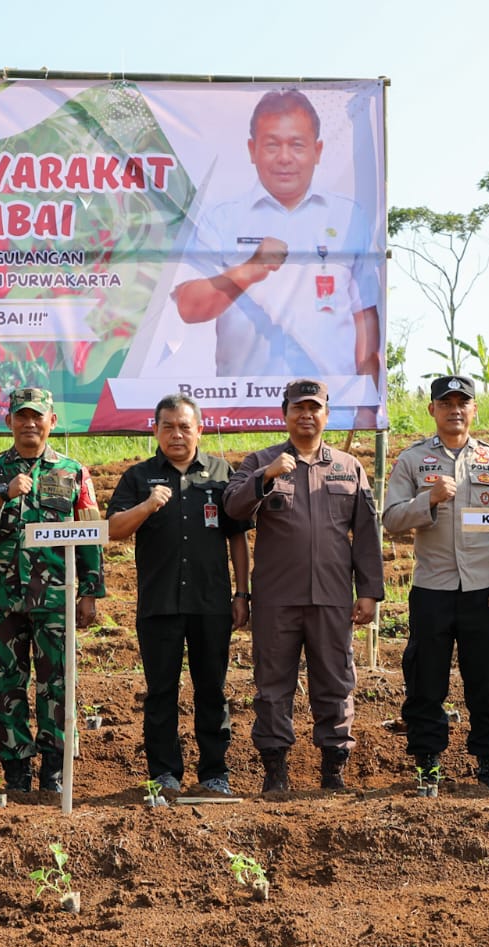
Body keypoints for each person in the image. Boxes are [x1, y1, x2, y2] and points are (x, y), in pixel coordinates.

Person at [223, 378, 384, 792]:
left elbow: (366, 534)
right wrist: (265, 476)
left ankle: (334, 771)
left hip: (332, 597)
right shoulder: (262, 460)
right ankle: (275, 773)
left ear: (326, 415)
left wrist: (368, 591)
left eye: (314, 408)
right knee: (272, 686)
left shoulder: (349, 467)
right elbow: (233, 507)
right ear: (285, 414)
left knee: (335, 682)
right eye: (298, 408)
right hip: (277, 599)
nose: (306, 415)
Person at [0, 388, 106, 794]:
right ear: (9, 423)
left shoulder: (73, 473)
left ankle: (54, 774)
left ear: (52, 422)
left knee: (58, 684)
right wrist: (2, 495)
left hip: (55, 598)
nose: (30, 424)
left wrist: (89, 591)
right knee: (5, 685)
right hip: (3, 599)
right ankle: (16, 774)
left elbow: (88, 533)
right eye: (22, 416)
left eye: (38, 416)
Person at [172, 88, 381, 384]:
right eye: (272, 145)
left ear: (317, 151)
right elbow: (189, 307)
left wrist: (367, 401)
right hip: (243, 413)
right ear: (252, 149)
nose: (284, 158)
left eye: (297, 145)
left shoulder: (348, 218)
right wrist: (247, 271)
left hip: (329, 410)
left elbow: (365, 314)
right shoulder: (221, 219)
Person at [107, 395, 251, 795]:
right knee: (161, 693)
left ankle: (214, 774)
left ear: (199, 430)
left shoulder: (222, 474)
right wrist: (149, 505)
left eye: (184, 426)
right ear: (155, 430)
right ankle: (164, 775)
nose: (176, 434)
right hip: (159, 604)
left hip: (211, 603)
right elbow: (114, 528)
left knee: (212, 689)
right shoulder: (139, 477)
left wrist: (242, 592)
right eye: (167, 426)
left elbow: (237, 537)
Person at [382, 375, 489, 788]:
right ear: (432, 410)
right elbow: (390, 520)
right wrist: (429, 499)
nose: (455, 409)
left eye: (463, 402)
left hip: (483, 590)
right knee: (425, 681)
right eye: (446, 403)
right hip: (433, 589)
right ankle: (428, 764)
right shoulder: (411, 460)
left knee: (487, 682)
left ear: (474, 409)